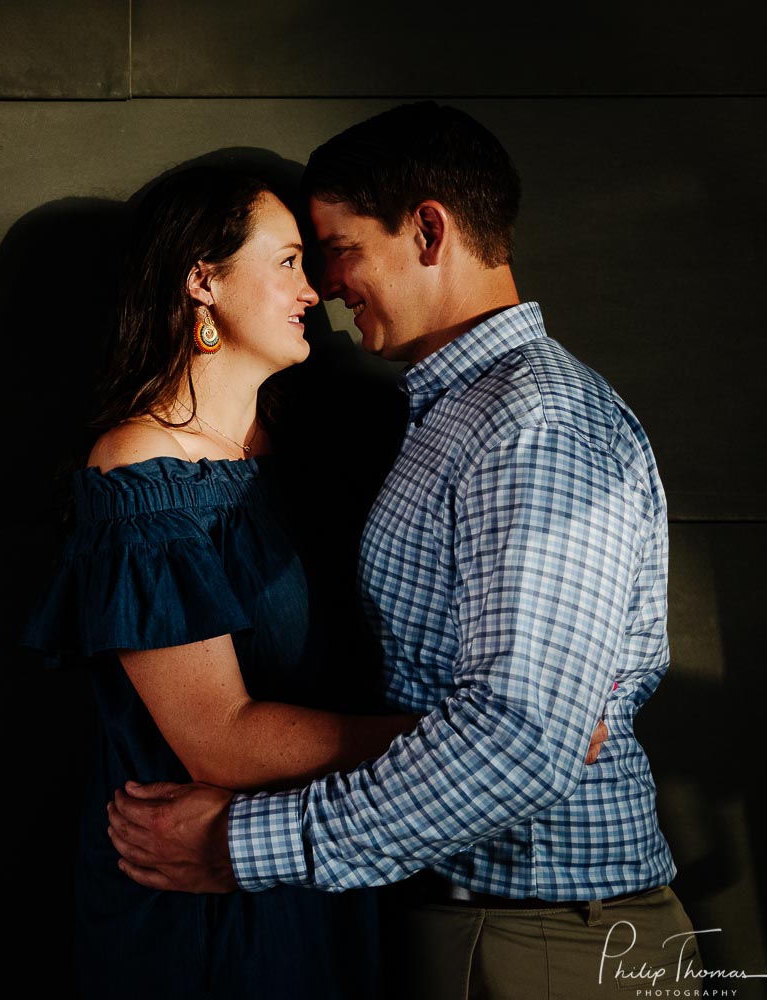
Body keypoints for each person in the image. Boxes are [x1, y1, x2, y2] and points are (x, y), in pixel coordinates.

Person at [106, 103, 699, 998]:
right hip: (467, 920)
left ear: (427, 230)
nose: (329, 284)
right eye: (300, 258)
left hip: (537, 933)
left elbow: (519, 747)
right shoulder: (450, 414)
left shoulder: (532, 425)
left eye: (336, 248)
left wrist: (242, 844)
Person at [22, 164, 435, 997]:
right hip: (202, 904)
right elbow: (218, 736)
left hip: (317, 866)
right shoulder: (139, 471)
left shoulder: (296, 455)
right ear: (201, 278)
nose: (314, 291)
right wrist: (462, 742)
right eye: (286, 262)